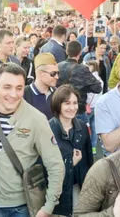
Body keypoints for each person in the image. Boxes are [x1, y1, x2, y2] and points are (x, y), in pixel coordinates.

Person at [0, 63, 65, 217]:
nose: (14, 94)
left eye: (19, 88)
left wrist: (48, 206)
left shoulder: (36, 119)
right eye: (7, 87)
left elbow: (55, 165)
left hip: (19, 208)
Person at [49, 85, 93, 216]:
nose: (72, 107)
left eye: (74, 103)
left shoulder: (83, 127)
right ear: (58, 104)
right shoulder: (47, 129)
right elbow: (44, 166)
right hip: (58, 191)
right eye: (67, 103)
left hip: (79, 186)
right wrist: (70, 163)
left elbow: (89, 159)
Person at [57, 41, 102, 124]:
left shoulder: (58, 66)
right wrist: (85, 87)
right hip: (77, 109)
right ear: (80, 53)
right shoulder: (82, 69)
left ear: (66, 51)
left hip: (60, 107)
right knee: (82, 134)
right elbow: (97, 88)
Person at [23, 53, 58, 120]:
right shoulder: (24, 94)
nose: (57, 77)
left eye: (57, 73)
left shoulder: (57, 93)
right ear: (40, 73)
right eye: (53, 74)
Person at [85, 60, 103, 155]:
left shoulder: (90, 79)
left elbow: (89, 94)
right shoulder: (100, 79)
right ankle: (93, 147)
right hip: (97, 106)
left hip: (90, 106)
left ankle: (87, 147)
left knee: (86, 128)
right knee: (94, 127)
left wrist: (86, 103)